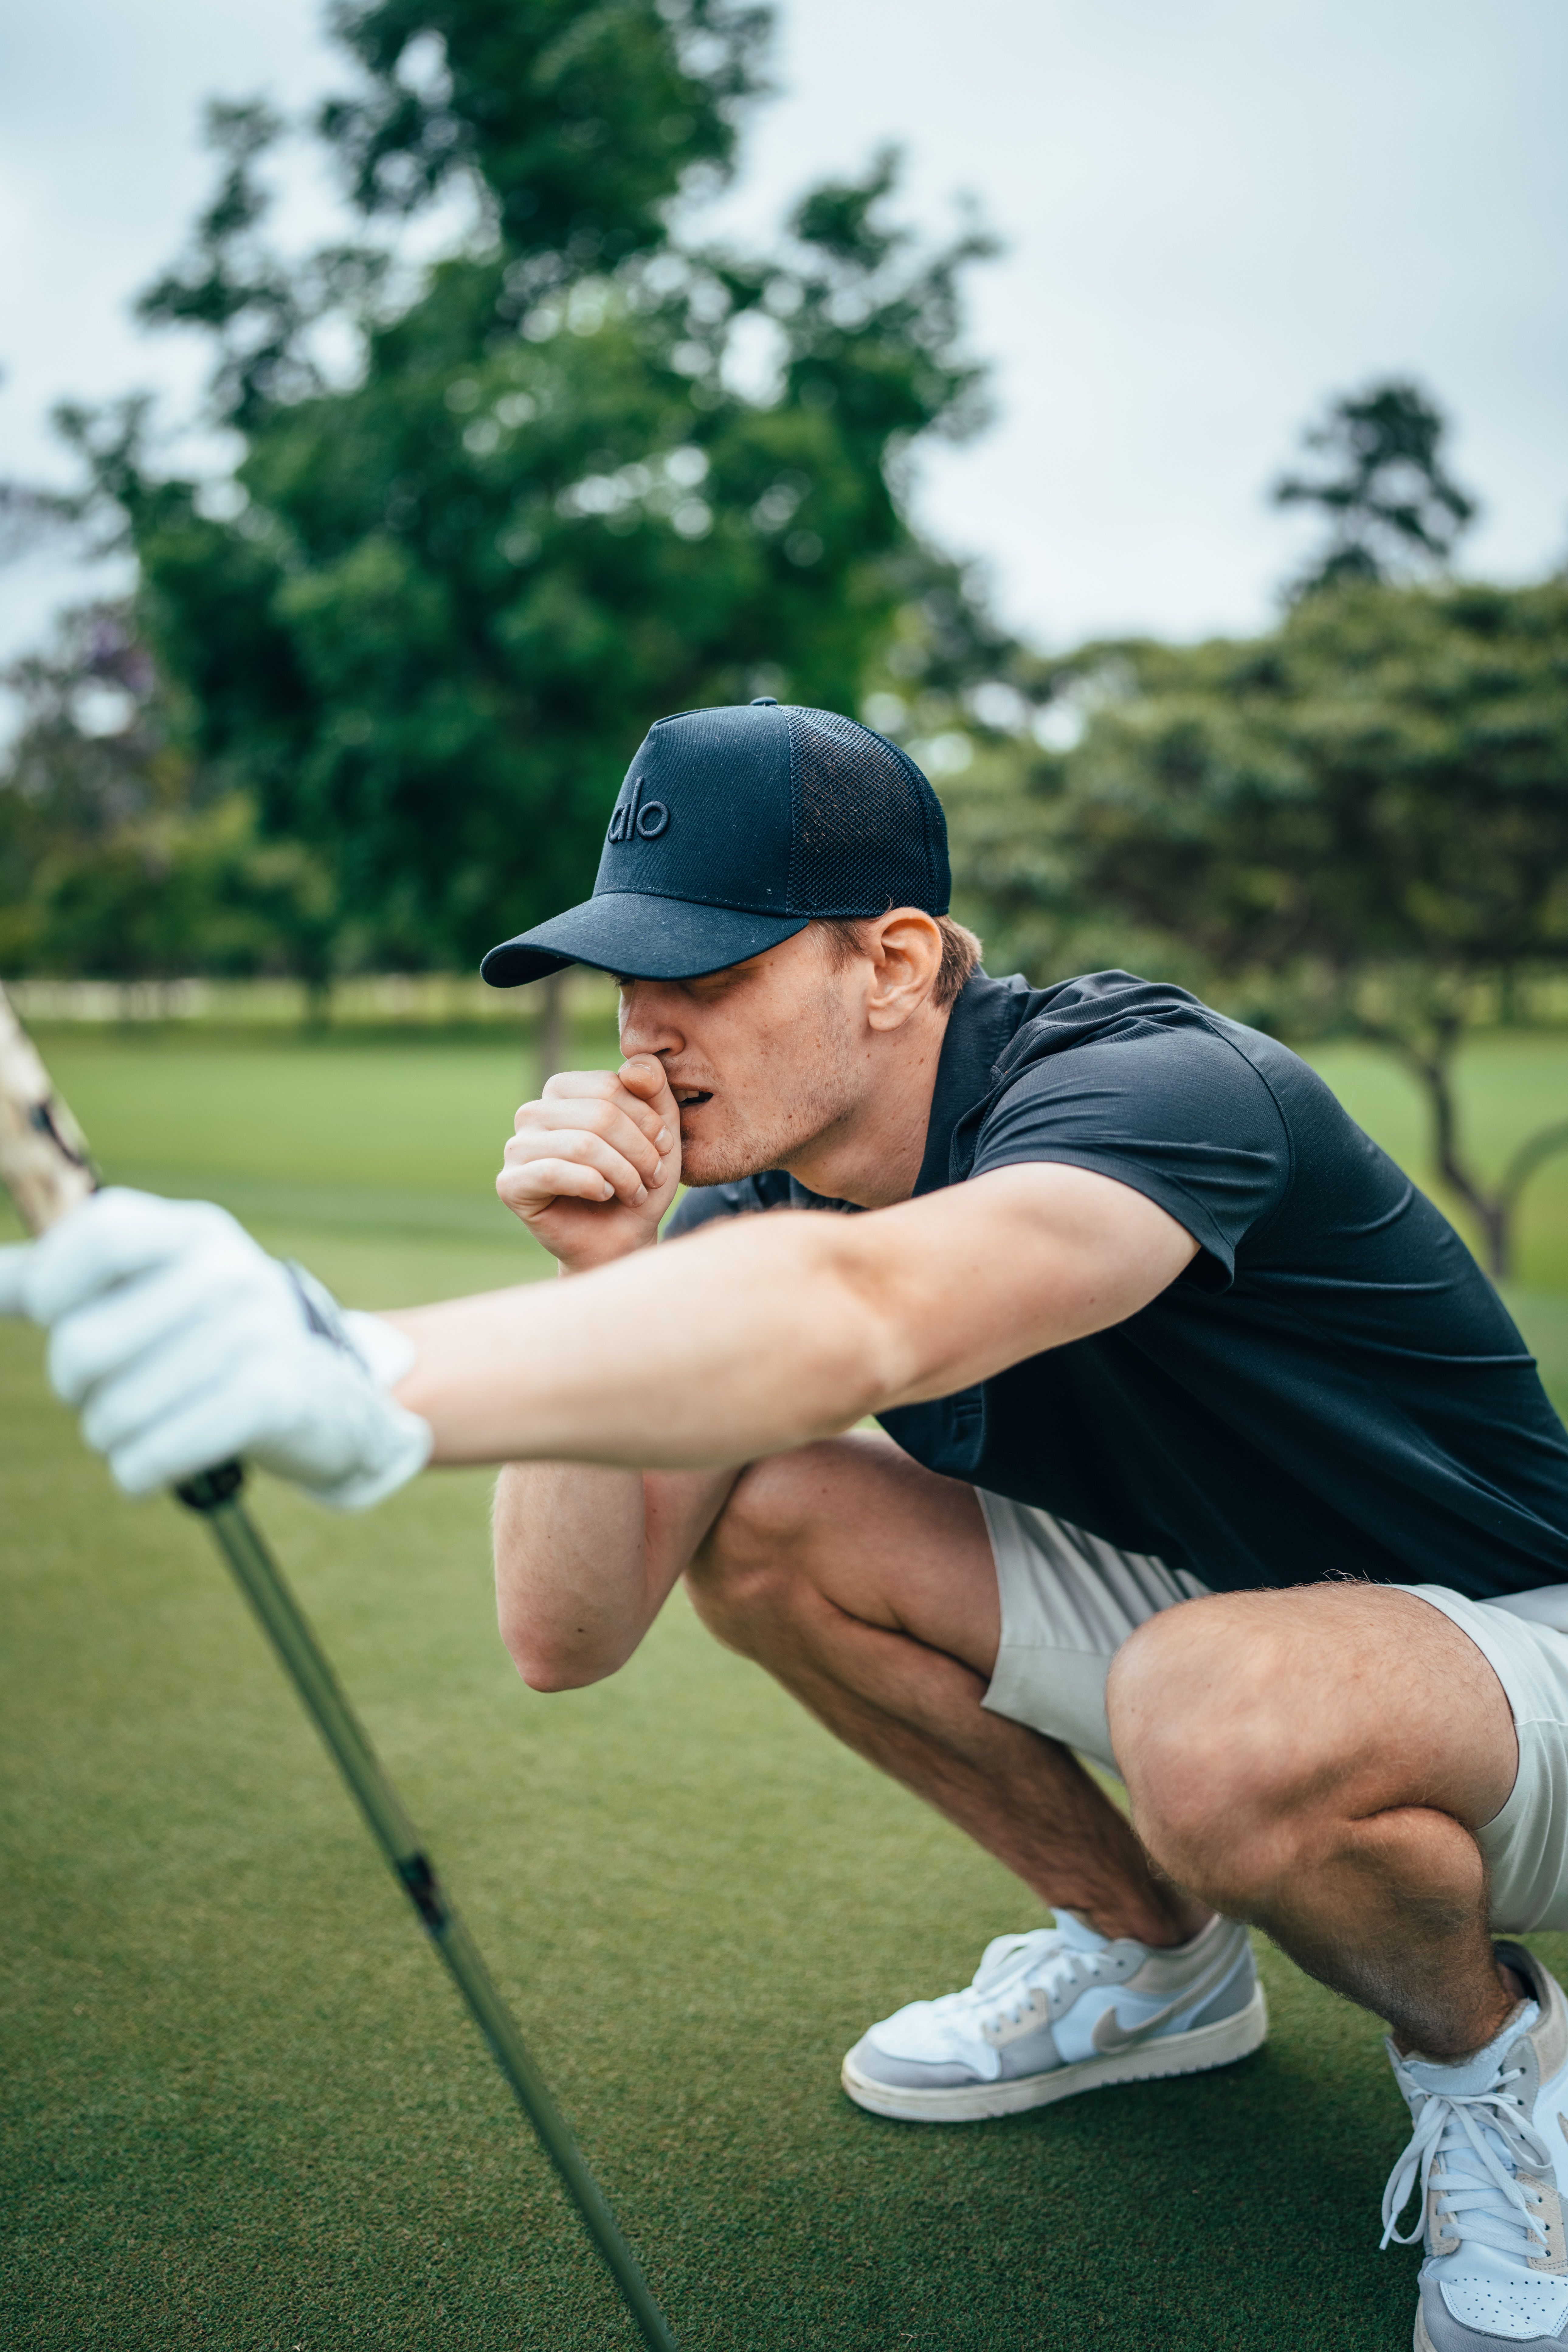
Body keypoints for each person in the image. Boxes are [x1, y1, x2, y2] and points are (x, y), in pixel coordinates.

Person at [7, 696, 1568, 2352]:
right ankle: (1150, 1963)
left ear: (892, 964)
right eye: (630, 979)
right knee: (767, 1516)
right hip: (1238, 1617)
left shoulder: (1157, 1087)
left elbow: (867, 1312)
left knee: (1213, 1696)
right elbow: (565, 1635)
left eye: (711, 974)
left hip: (1517, 1651)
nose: (646, 1035)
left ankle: (1491, 2065)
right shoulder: (772, 1187)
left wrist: (358, 1366)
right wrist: (604, 1278)